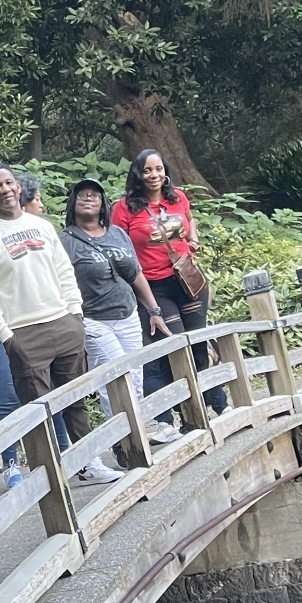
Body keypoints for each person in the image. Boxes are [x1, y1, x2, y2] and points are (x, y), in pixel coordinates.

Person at [0, 163, 122, 484]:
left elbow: (64, 271)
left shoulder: (42, 226)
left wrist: (75, 314)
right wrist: (8, 338)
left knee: (75, 400)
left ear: (18, 187)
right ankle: (48, 478)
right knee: (38, 411)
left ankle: (88, 462)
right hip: (23, 333)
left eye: (9, 182)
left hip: (63, 323)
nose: (5, 189)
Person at [111, 148, 228, 426]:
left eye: (159, 169)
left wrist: (193, 240)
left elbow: (189, 219)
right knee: (176, 348)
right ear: (138, 174)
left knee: (198, 344)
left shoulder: (178, 198)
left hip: (188, 280)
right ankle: (189, 415)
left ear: (166, 172)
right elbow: (118, 248)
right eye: (147, 170)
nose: (154, 175)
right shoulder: (124, 208)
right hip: (154, 287)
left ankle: (218, 405)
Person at [63, 178, 179, 443]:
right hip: (93, 319)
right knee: (115, 375)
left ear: (103, 204)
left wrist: (154, 310)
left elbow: (136, 274)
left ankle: (136, 433)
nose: (88, 198)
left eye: (94, 195)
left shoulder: (117, 234)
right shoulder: (65, 241)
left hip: (127, 314)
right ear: (73, 203)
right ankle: (122, 441)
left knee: (135, 376)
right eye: (82, 195)